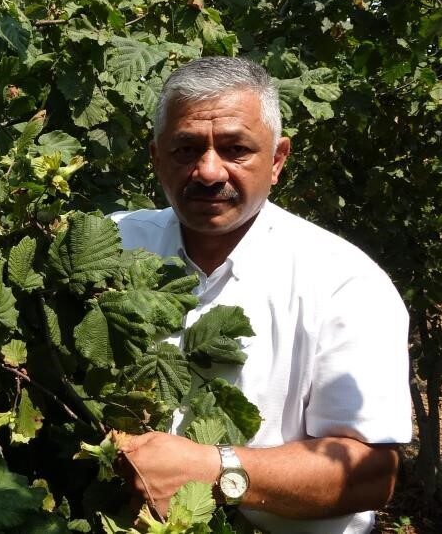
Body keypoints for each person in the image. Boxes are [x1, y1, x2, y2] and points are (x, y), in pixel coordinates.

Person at [110, 56, 411, 534]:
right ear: (155, 156)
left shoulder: (345, 282)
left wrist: (216, 471)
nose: (209, 172)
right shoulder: (113, 244)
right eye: (186, 149)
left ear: (277, 159)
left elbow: (371, 474)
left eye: (235, 149)